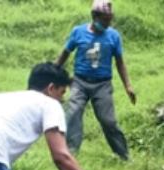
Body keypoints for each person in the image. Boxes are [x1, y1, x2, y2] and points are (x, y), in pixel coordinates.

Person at [54, 0, 135, 160]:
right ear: (94, 16)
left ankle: (123, 155)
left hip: (102, 85)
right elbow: (65, 53)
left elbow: (120, 62)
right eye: (105, 19)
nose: (108, 22)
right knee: (73, 114)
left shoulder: (113, 36)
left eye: (110, 19)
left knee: (108, 121)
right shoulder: (78, 32)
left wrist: (128, 86)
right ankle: (70, 153)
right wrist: (52, 71)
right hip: (79, 82)